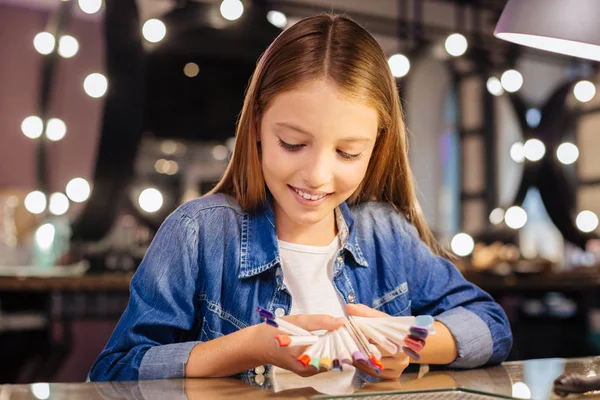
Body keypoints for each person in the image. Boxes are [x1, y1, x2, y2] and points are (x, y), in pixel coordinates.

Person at [89, 13, 512, 382]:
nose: (317, 176)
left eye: (348, 152)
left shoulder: (384, 233)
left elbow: (491, 326)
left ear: (376, 146)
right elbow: (115, 372)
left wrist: (409, 342)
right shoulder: (199, 233)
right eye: (292, 144)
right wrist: (250, 347)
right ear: (255, 126)